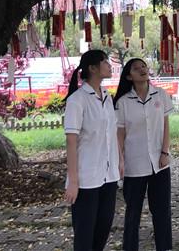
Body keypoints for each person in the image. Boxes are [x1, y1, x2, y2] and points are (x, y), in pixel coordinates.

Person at [63, 49, 122, 251]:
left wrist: (119, 161)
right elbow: (71, 141)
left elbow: (112, 135)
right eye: (105, 62)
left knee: (103, 228)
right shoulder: (77, 100)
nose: (109, 65)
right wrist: (73, 181)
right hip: (86, 178)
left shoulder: (106, 97)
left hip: (109, 176)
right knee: (85, 233)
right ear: (93, 68)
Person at [115, 58, 174, 251]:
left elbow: (165, 127)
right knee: (133, 213)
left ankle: (164, 247)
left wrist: (165, 152)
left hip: (159, 163)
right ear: (129, 76)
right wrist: (121, 160)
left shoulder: (161, 95)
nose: (142, 70)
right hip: (134, 165)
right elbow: (120, 134)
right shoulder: (123, 103)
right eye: (136, 68)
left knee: (162, 212)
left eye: (144, 67)